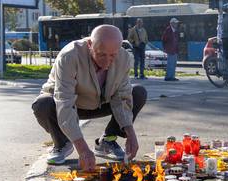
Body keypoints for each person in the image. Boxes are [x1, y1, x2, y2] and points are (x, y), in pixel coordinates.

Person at [32, 24, 147, 171]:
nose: (107, 62)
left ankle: (107, 140)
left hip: (100, 103)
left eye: (112, 55)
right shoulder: (70, 55)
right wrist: (82, 149)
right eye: (101, 55)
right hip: (70, 104)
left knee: (138, 92)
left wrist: (131, 134)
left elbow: (122, 97)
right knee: (42, 104)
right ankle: (62, 143)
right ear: (90, 45)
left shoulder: (124, 58)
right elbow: (64, 102)